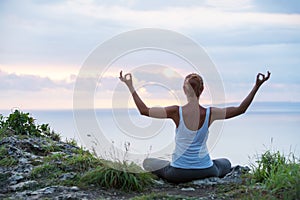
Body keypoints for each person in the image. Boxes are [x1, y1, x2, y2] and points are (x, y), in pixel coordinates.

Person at [119, 70, 271, 183]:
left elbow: (144, 111)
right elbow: (240, 110)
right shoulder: (210, 113)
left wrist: (130, 86)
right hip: (206, 170)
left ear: (184, 90)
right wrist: (256, 86)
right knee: (226, 162)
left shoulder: (175, 112)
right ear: (202, 90)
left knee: (148, 162)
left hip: (178, 173)